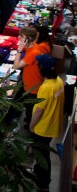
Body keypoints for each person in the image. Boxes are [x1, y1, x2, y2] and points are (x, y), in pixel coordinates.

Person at [29, 54, 64, 191]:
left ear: (42, 68)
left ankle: (43, 183)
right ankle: (38, 172)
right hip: (52, 125)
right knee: (43, 152)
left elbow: (39, 111)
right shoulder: (59, 81)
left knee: (42, 156)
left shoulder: (46, 87)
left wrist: (32, 126)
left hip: (42, 128)